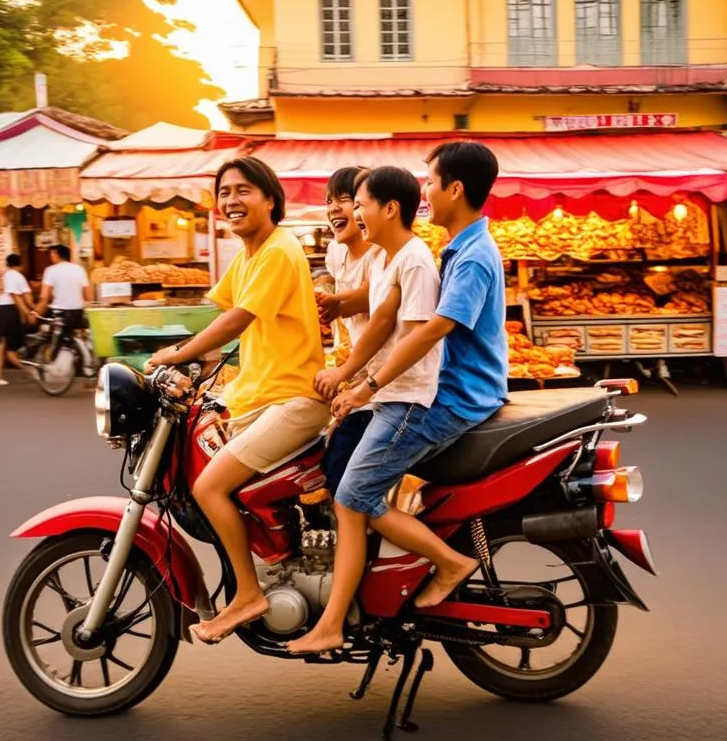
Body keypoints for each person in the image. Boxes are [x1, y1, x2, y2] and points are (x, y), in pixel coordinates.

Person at [288, 141, 508, 655]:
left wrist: (365, 385)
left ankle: (443, 566)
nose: (426, 192)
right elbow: (383, 314)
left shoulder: (465, 257)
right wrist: (348, 371)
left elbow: (429, 331)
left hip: (446, 396)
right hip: (426, 389)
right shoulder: (449, 249)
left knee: (352, 496)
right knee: (349, 482)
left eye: (431, 182)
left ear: (455, 188)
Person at [143, 157, 330, 643]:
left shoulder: (277, 249)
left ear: (270, 198)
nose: (231, 200)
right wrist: (197, 364)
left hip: (292, 400)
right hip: (261, 397)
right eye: (224, 191)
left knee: (209, 488)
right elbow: (225, 317)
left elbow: (237, 319)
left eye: (244, 190)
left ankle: (248, 594)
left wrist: (176, 352)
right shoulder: (248, 256)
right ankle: (277, 560)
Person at [316, 166, 377, 495]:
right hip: (351, 377)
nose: (333, 208)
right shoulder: (336, 253)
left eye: (344, 199)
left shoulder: (382, 254)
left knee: (344, 482)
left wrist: (329, 303)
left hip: (378, 387)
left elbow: (366, 297)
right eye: (329, 200)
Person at [0, 254, 34, 388]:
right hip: (10, 311)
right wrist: (31, 310)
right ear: (21, 264)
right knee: (7, 347)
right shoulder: (19, 277)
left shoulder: (4, 275)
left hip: (0, 310)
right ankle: (27, 370)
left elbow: (9, 295)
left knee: (0, 344)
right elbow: (25, 298)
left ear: (7, 264)